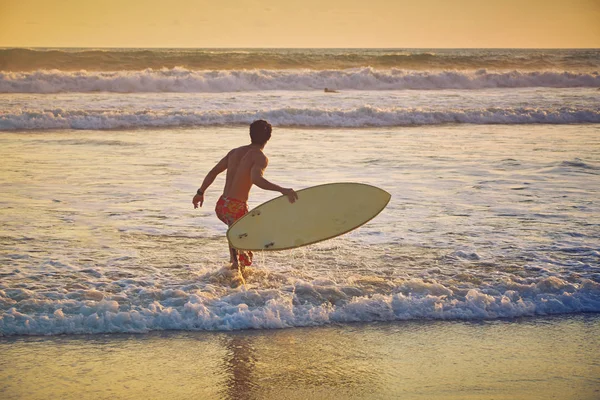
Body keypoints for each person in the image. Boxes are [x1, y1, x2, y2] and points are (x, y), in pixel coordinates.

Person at [192, 120, 298, 271]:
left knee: (238, 240)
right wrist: (282, 190)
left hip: (222, 205)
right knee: (245, 256)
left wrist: (200, 193)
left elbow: (213, 172)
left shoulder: (234, 152)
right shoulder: (260, 157)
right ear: (269, 137)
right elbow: (257, 180)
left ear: (250, 134)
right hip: (236, 207)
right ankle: (235, 278)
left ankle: (232, 266)